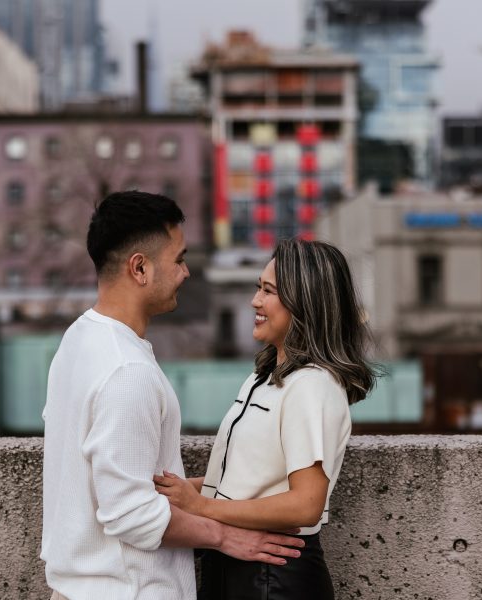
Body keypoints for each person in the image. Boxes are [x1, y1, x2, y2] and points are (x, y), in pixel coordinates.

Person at [40, 191, 306, 600]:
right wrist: (225, 536)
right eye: (179, 259)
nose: (185, 272)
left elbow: (130, 480)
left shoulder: (78, 340)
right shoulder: (126, 371)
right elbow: (131, 514)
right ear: (140, 268)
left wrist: (224, 488)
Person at [154, 238, 377, 600]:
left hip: (274, 575)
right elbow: (251, 477)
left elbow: (306, 504)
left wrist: (200, 506)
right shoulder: (266, 377)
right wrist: (181, 489)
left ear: (304, 303)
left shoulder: (312, 385)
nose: (255, 301)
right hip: (237, 565)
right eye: (259, 287)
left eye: (268, 291)